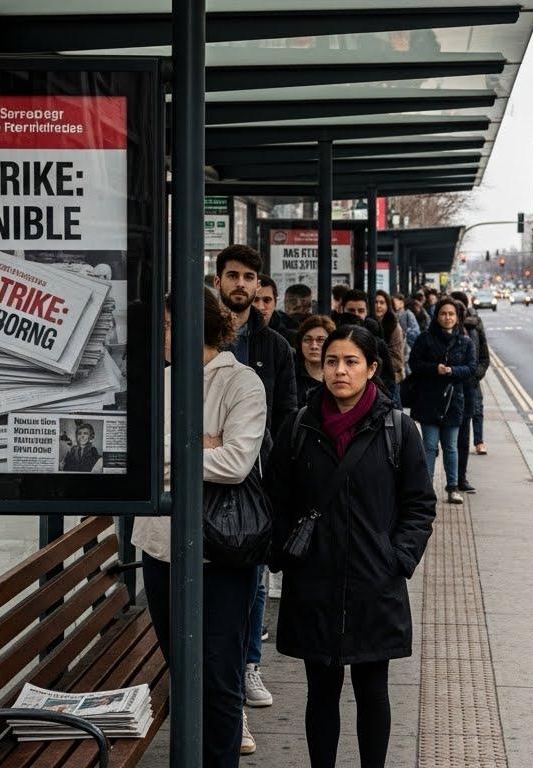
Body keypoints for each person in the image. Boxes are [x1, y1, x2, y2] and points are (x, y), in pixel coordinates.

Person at [267, 326, 436, 768]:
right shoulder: (299, 426)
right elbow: (276, 497)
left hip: (373, 581)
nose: (340, 370)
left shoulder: (398, 430)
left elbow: (419, 504)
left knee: (372, 690)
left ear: (372, 368)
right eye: (332, 361)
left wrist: (398, 557)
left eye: (351, 362)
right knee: (320, 691)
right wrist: (286, 553)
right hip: (314, 581)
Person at [131, 291, 266, 765]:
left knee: (218, 677)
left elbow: (235, 463)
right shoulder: (158, 381)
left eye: (167, 325)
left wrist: (170, 452)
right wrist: (195, 445)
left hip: (221, 554)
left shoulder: (241, 383)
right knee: (182, 671)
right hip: (159, 547)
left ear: (195, 326)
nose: (161, 335)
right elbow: (138, 460)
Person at [214, 244, 297, 436]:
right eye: (233, 275)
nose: (241, 284)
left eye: (248, 277)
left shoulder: (277, 347)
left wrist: (270, 456)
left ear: (257, 285)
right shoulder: (195, 338)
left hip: (257, 458)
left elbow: (285, 412)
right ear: (218, 282)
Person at [407, 298, 476, 504]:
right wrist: (434, 368)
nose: (447, 317)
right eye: (443, 313)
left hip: (453, 401)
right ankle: (426, 489)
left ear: (457, 317)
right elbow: (415, 364)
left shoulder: (465, 342)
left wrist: (453, 371)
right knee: (428, 446)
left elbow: (471, 368)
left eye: (451, 314)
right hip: (429, 399)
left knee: (451, 447)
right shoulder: (425, 339)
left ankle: (452, 487)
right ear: (437, 316)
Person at [449, 293, 491, 491]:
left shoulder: (473, 328)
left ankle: (461, 478)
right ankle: (452, 480)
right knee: (448, 440)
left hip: (469, 386)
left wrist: (475, 376)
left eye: (457, 312)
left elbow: (484, 356)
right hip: (448, 390)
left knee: (464, 433)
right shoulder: (443, 335)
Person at [294, 315, 335, 407]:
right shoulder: (290, 376)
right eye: (308, 340)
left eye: (320, 340)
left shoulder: (338, 375)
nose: (314, 346)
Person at [374, 290, 407, 401]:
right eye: (375, 302)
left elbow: (397, 359)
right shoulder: (369, 323)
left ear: (388, 305)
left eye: (382, 302)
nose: (378, 306)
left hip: (391, 379)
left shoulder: (393, 326)